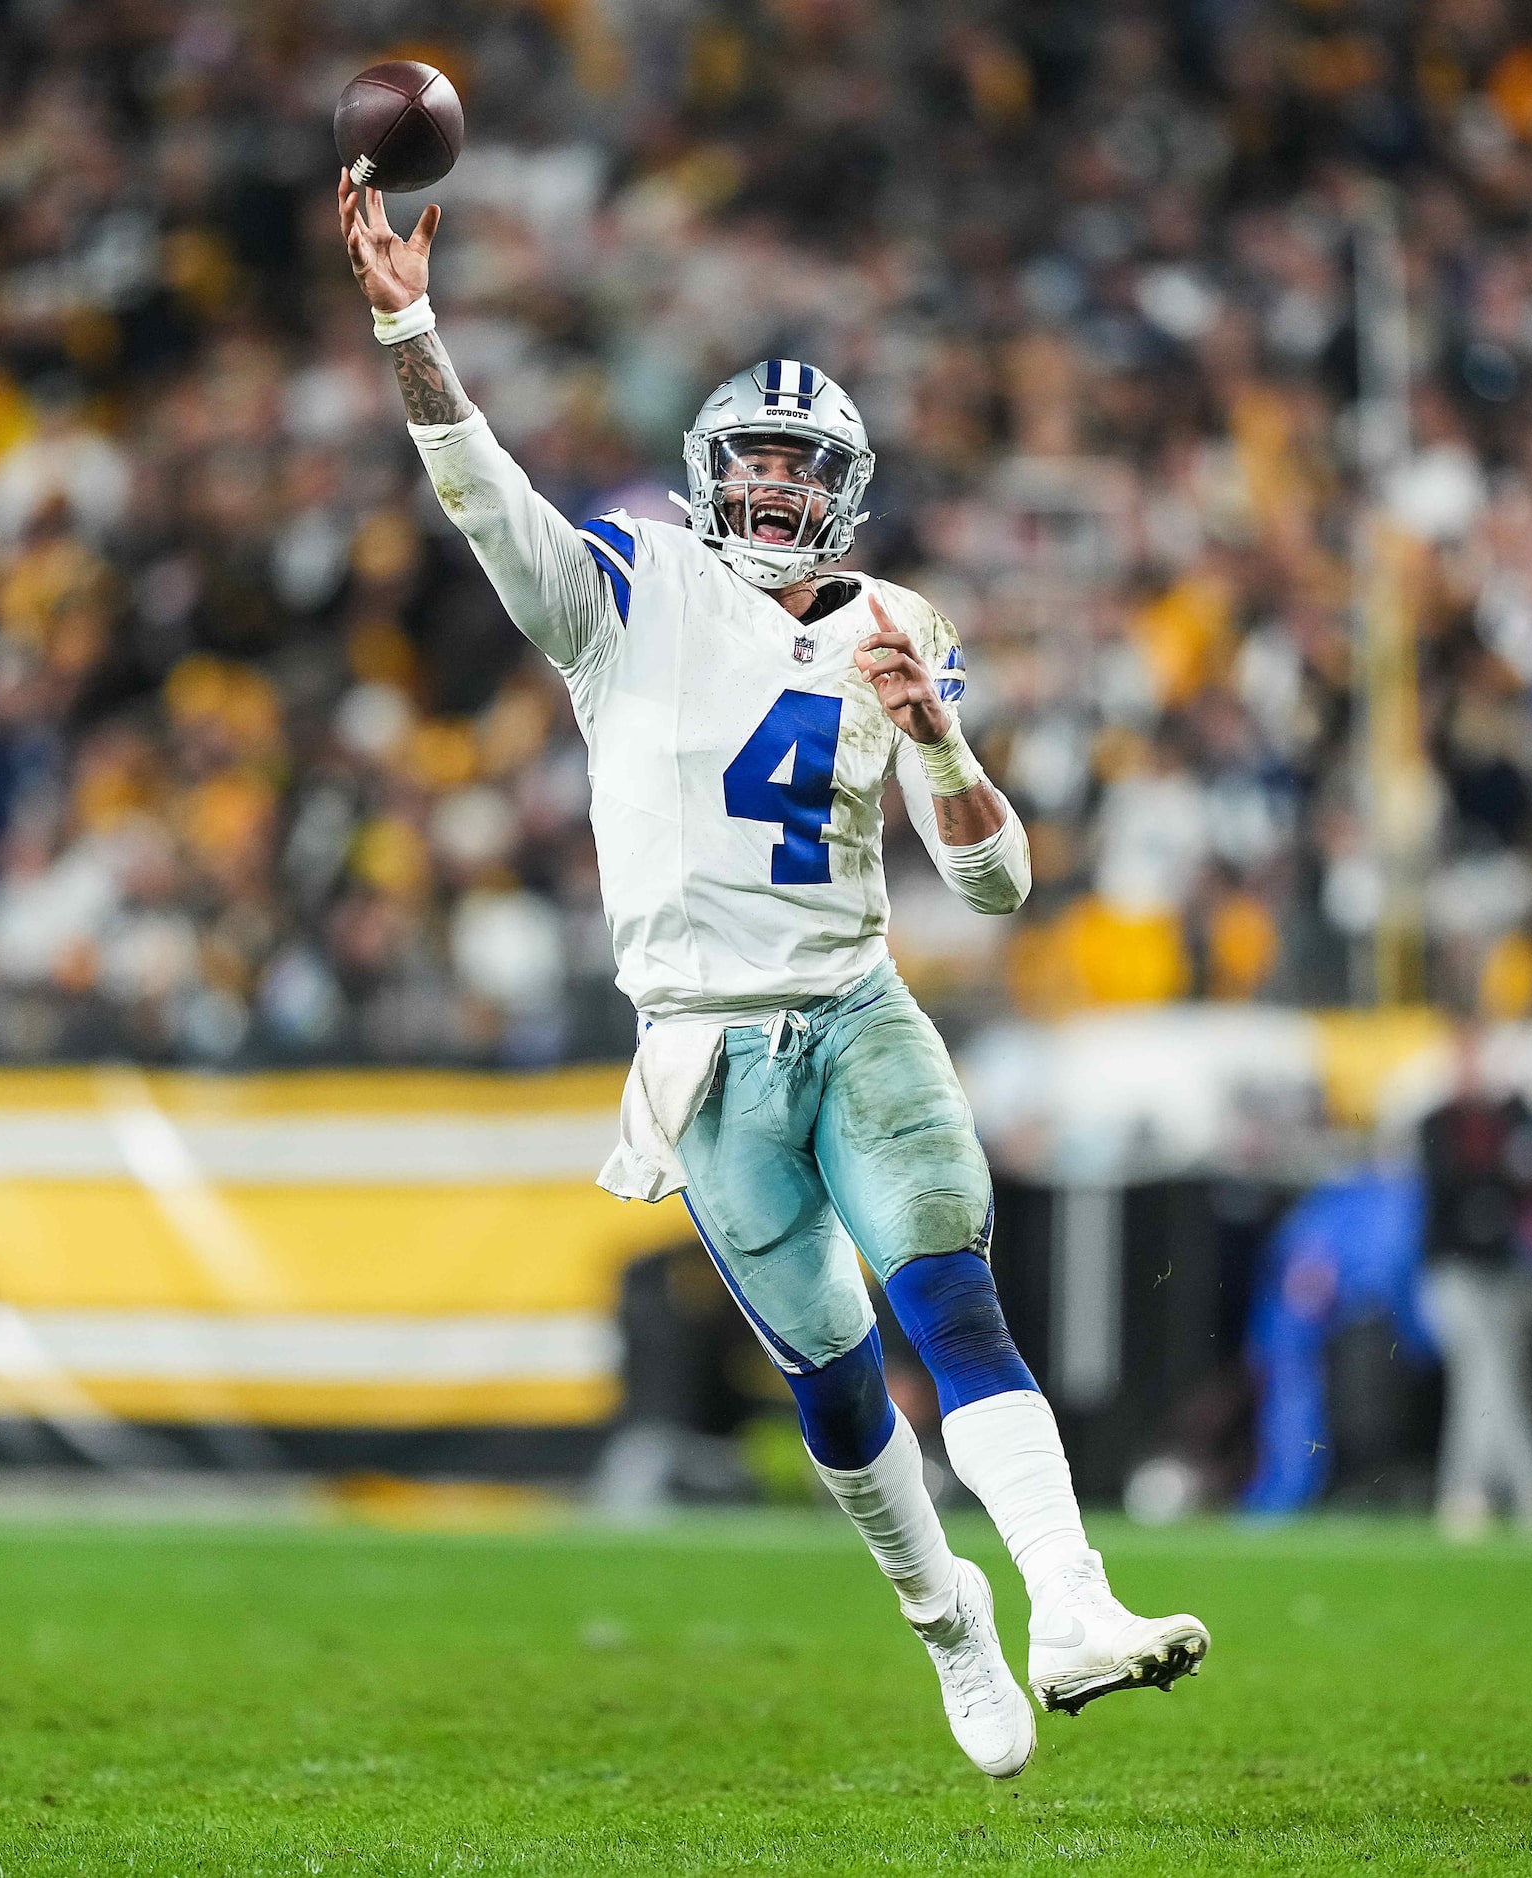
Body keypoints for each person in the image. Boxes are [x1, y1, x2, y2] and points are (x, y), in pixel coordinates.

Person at [338, 174, 1206, 1780]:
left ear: (846, 490)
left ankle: (1071, 1604)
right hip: (706, 1055)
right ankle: (947, 1621)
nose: (769, 489)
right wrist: (408, 324)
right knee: (827, 1368)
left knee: (952, 1301)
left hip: (860, 1008)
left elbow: (998, 882)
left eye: (799, 468)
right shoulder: (624, 591)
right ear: (703, 475)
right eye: (747, 461)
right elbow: (474, 482)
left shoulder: (898, 620)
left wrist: (940, 732)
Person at [1417, 1022, 1532, 1537]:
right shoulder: (1437, 1122)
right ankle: (1516, 1489)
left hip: (1499, 1271)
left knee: (1493, 1377)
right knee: (1488, 1371)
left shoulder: (1504, 1119)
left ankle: (1481, 1492)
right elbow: (1451, 1189)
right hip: (1453, 1270)